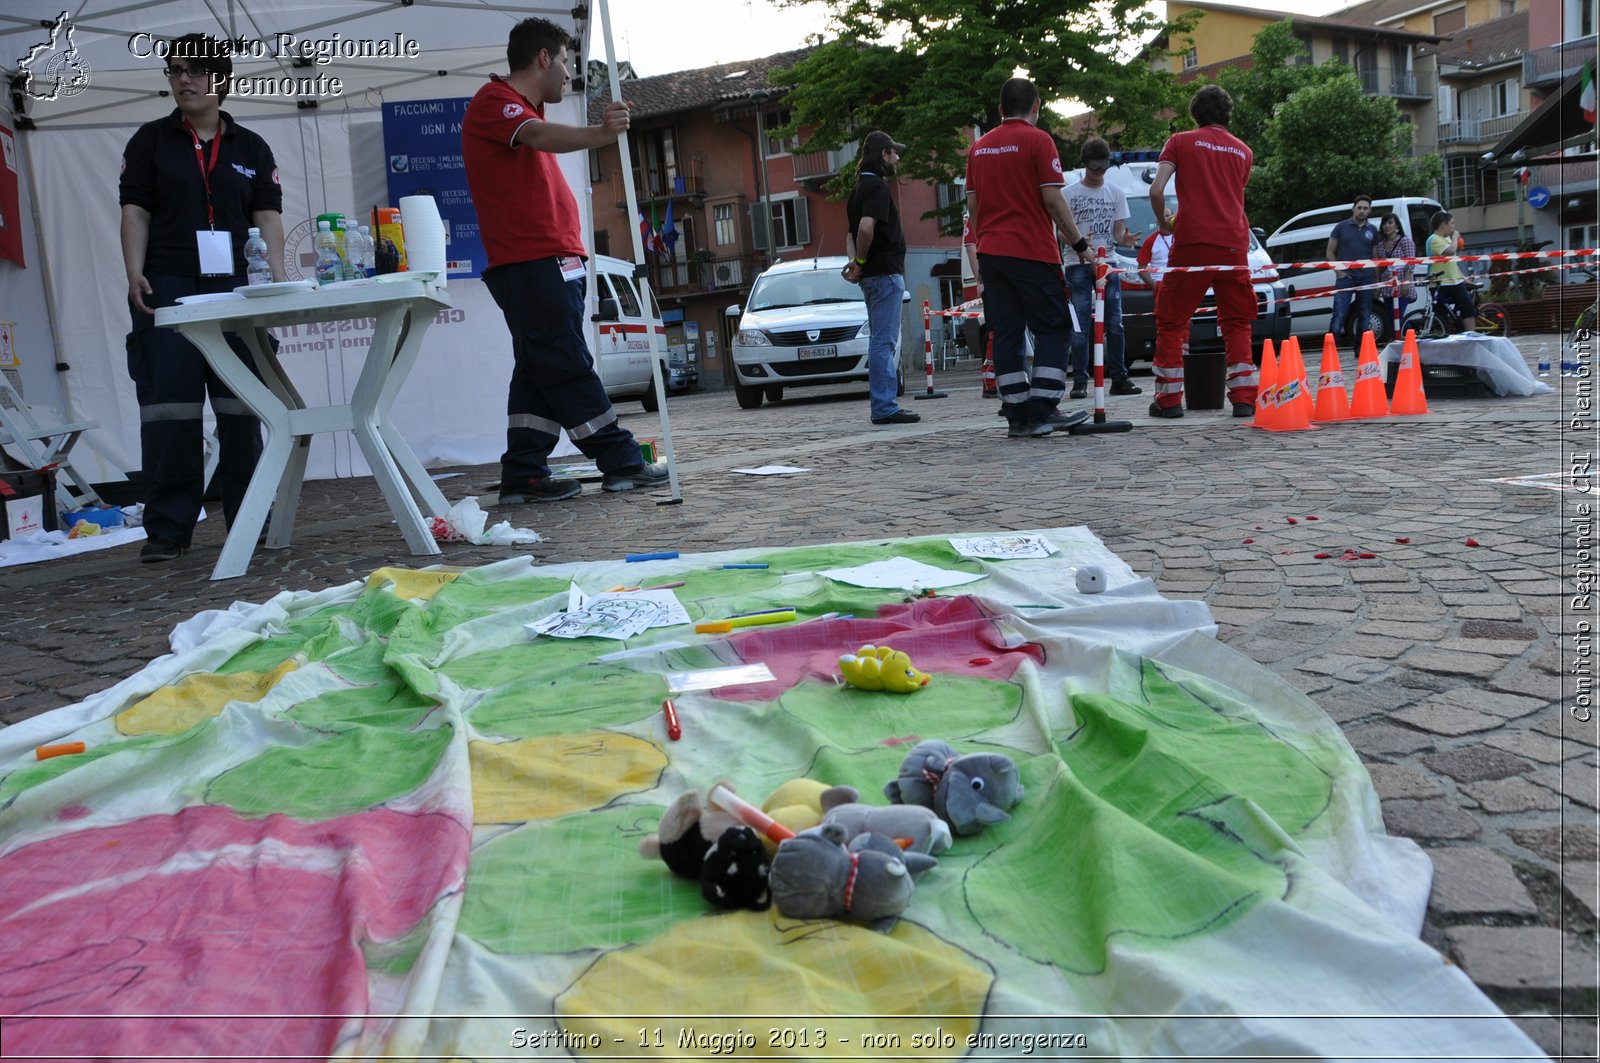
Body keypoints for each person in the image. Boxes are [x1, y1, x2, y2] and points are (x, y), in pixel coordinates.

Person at [463, 16, 668, 503]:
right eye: (564, 61)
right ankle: (620, 460)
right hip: (534, 263)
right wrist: (600, 133)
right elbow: (536, 137)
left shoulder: (514, 107)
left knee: (538, 368)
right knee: (564, 361)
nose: (568, 72)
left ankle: (524, 473)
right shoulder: (497, 103)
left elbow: (536, 140)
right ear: (542, 58)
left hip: (544, 262)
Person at [119, 34, 285, 563]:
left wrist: (277, 279)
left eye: (194, 70)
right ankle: (168, 530)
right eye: (174, 71)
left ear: (221, 80)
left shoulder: (251, 146)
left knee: (241, 407)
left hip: (238, 286)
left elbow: (268, 217)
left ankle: (251, 517)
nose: (183, 80)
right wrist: (133, 272)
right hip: (168, 283)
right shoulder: (150, 141)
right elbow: (135, 212)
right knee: (169, 408)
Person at [964, 77, 1093, 439]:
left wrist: (985, 248)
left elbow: (973, 207)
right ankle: (1043, 408)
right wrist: (1081, 245)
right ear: (1036, 106)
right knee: (1054, 327)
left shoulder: (979, 148)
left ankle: (1017, 413)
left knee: (1006, 332)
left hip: (992, 252)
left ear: (1001, 109)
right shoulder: (1039, 141)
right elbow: (1053, 200)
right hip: (1032, 251)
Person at [1148, 85, 1259, 419]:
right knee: (1237, 320)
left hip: (1192, 242)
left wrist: (1164, 222)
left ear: (1194, 113)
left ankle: (1168, 401)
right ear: (1228, 114)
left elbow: (1156, 189)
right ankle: (1243, 398)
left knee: (1172, 319)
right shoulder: (1244, 151)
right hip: (1234, 243)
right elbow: (1228, 197)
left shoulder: (1180, 142)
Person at [843, 130, 919, 425]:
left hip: (872, 277)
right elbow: (864, 229)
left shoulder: (856, 190)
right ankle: (885, 406)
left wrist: (855, 263)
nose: (897, 158)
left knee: (879, 339)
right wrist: (861, 260)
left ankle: (883, 404)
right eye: (894, 153)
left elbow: (850, 234)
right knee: (884, 342)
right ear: (884, 154)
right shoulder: (876, 187)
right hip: (885, 274)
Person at [1063, 137, 1140, 399]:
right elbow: (1061, 232)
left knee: (1115, 323)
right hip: (1078, 263)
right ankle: (1081, 381)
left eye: (1104, 167)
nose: (1099, 173)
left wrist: (1125, 240)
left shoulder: (1116, 193)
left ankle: (1119, 377)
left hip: (1109, 264)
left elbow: (1118, 233)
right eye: (1095, 167)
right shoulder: (1069, 193)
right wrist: (1082, 247)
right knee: (1081, 325)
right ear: (1085, 164)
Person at [1326, 195, 1379, 347]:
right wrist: (1339, 272)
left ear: (1370, 211)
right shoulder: (1340, 227)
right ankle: (1330, 352)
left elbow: (1375, 257)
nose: (1362, 211)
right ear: (1353, 209)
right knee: (1339, 315)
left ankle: (1361, 352)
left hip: (1367, 279)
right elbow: (1330, 252)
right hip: (1345, 278)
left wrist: (1376, 281)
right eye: (1359, 207)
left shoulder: (1373, 230)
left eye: (1365, 208)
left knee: (1365, 316)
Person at [1425, 210, 1476, 331]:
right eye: (1452, 223)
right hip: (1441, 283)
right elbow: (1450, 252)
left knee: (1467, 308)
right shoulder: (1434, 239)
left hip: (1455, 282)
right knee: (1441, 314)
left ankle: (1471, 336)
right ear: (1443, 225)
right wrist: (1455, 237)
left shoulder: (1447, 239)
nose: (1454, 226)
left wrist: (1464, 278)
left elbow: (1453, 263)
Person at [1374, 211, 1416, 330]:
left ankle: (1409, 338)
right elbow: (1380, 267)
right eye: (1384, 223)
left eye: (1390, 223)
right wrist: (1378, 284)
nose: (1387, 226)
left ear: (1397, 226)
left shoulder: (1405, 241)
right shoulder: (1381, 245)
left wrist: (1406, 283)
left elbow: (1410, 262)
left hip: (1402, 285)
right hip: (1387, 287)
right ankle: (1404, 340)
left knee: (1397, 316)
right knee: (1392, 318)